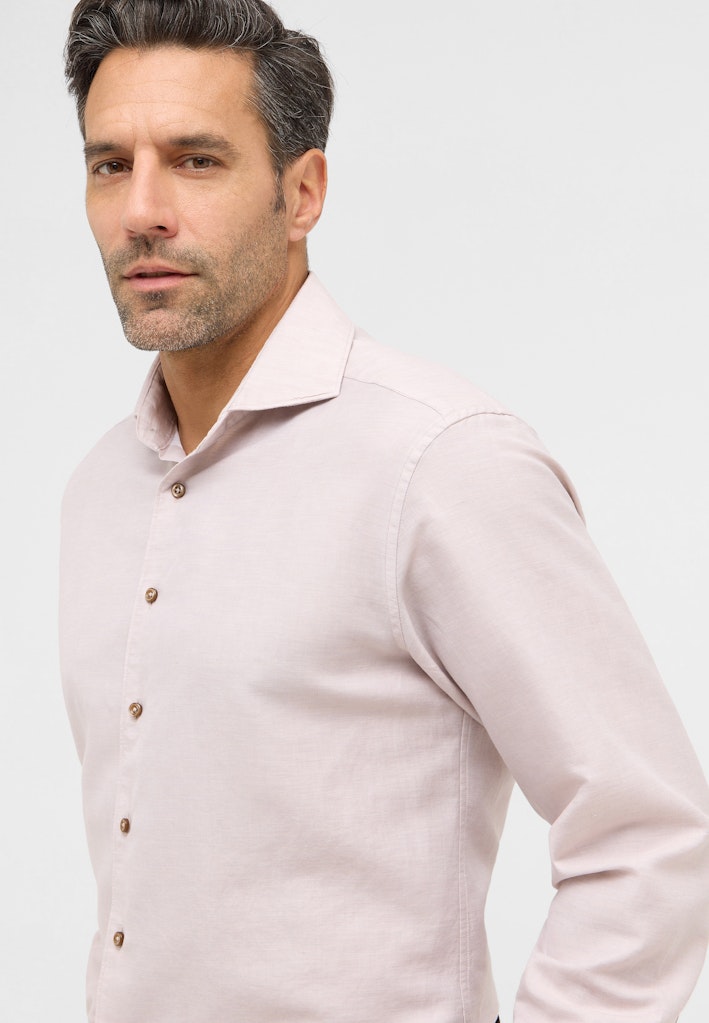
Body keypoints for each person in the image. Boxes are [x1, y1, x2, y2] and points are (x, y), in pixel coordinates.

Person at [59, 1, 709, 1021]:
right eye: (110, 165)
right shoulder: (102, 487)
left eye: (196, 161)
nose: (143, 209)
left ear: (302, 191)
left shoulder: (438, 463)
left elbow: (649, 835)